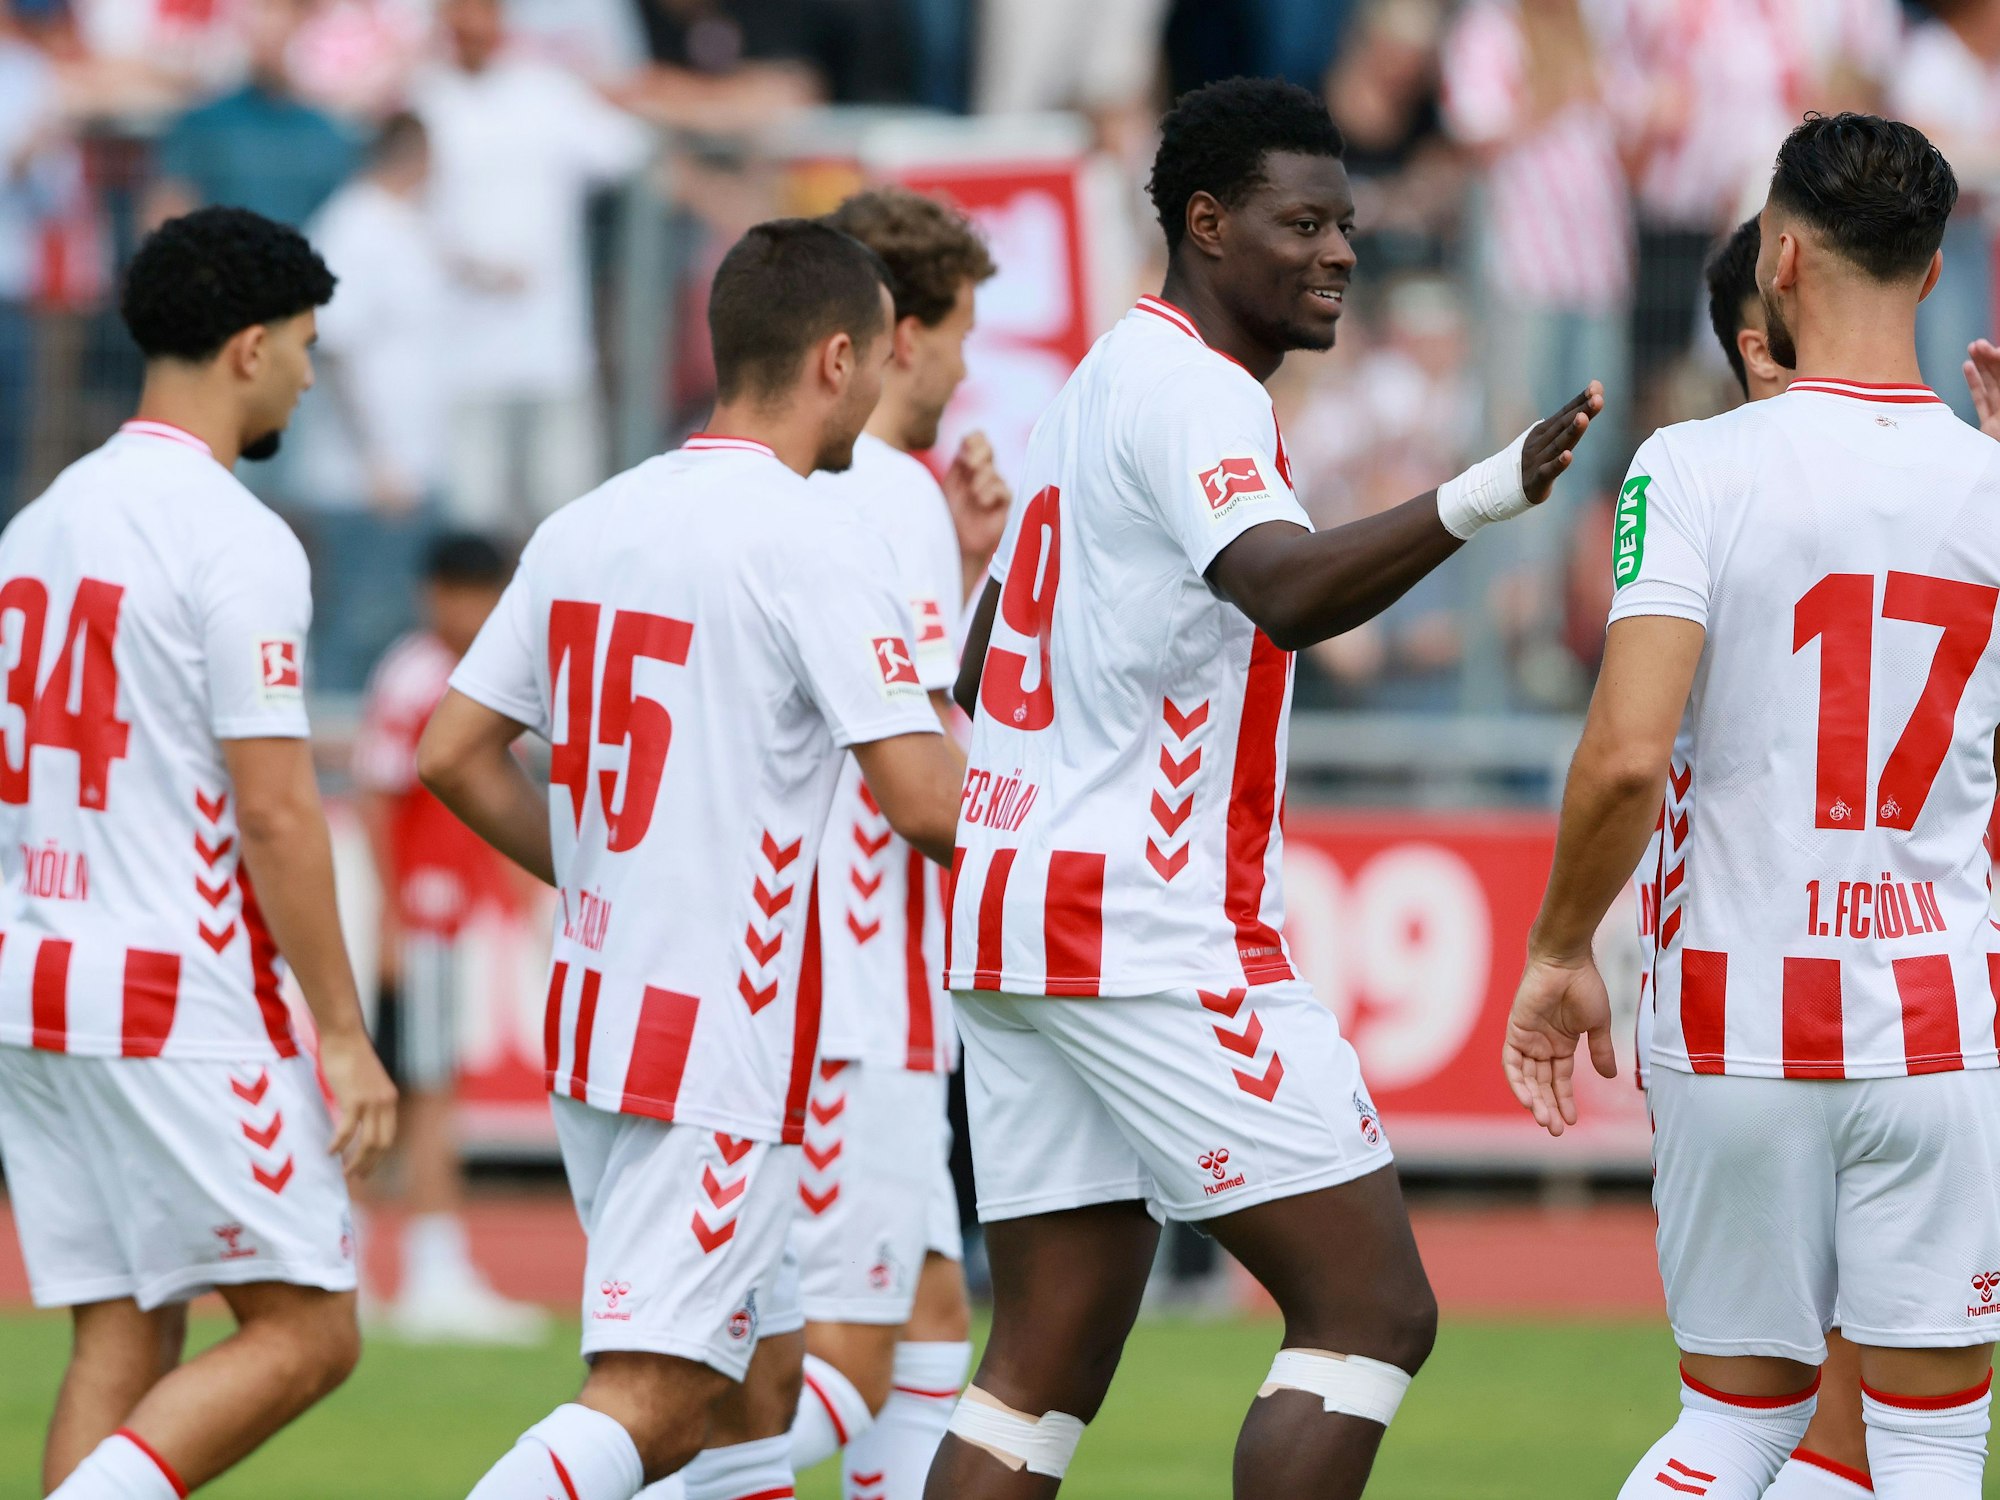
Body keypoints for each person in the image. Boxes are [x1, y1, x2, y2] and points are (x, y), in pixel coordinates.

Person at [930, 76, 1601, 1500]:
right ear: (1206, 223)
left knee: (1044, 1356)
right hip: (1144, 914)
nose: (1341, 251)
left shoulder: (1103, 379)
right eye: (1303, 223)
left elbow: (988, 657)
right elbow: (1285, 592)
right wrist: (1484, 494)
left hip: (1012, 901)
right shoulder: (1195, 393)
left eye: (1348, 223)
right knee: (1372, 1313)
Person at [420, 218, 966, 1500]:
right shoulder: (812, 533)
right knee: (661, 1396)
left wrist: (607, 870)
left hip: (601, 1004)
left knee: (752, 1395)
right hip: (721, 1030)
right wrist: (1088, 837)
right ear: (838, 359)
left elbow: (454, 750)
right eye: (879, 361)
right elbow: (924, 799)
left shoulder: (589, 520)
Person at [1506, 113, 2000, 1500]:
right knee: (1926, 1446)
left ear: (1780, 260)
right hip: (1939, 1023)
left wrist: (1557, 951)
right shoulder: (1989, 483)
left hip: (1740, 1018)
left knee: (1733, 1426)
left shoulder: (1695, 465)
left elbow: (1620, 757)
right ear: (1935, 262)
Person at [0, 205, 396, 1499]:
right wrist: (343, 1031)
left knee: (127, 1328)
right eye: (304, 342)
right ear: (247, 347)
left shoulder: (43, 522)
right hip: (172, 990)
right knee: (309, 1331)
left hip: (36, 972)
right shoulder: (232, 539)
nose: (309, 372)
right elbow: (277, 811)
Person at [783, 186, 1006, 1500]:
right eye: (964, 331)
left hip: (841, 974)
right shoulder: (885, 488)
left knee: (928, 1313)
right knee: (845, 1356)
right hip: (853, 981)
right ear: (899, 334)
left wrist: (969, 575)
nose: (973, 364)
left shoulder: (839, 491)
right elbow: (924, 772)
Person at [351, 529, 546, 1345]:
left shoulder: (465, 676)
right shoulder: (417, 677)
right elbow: (375, 794)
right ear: (438, 595)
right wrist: (394, 915)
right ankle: (426, 1267)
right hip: (424, 917)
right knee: (422, 1094)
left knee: (417, 1088)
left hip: (445, 913)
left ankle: (361, 1266)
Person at [412, 0, 650, 534]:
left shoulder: (547, 92)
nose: (471, 26)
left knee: (565, 510)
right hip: (457, 352)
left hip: (553, 348)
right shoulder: (421, 98)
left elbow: (627, 150)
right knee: (471, 521)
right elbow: (402, 205)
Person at [289, 110, 451, 694]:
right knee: (352, 629)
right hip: (360, 481)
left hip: (408, 470)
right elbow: (332, 351)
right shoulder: (352, 226)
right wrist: (375, 459)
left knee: (393, 633)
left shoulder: (403, 222)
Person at [146, 0, 359, 231]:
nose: (275, 26)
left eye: (291, 12)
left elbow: (344, 234)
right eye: (267, 10)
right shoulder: (202, 124)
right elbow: (168, 216)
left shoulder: (329, 137)